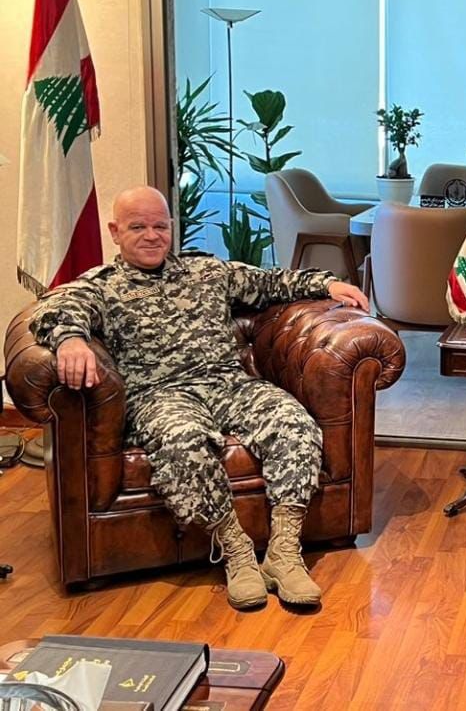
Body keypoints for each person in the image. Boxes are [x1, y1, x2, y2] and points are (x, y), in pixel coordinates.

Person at [29, 186, 369, 610]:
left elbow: (272, 281)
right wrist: (70, 340)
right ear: (115, 232)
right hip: (160, 395)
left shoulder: (206, 271)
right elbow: (53, 309)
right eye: (137, 227)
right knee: (182, 440)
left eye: (160, 226)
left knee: (292, 421)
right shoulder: (102, 286)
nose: (151, 235)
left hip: (228, 385)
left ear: (171, 227)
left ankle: (283, 551)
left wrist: (328, 283)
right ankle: (237, 553)